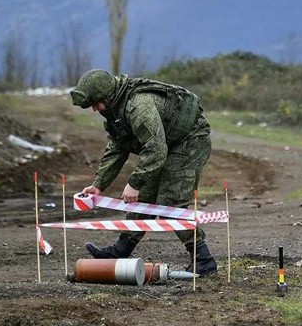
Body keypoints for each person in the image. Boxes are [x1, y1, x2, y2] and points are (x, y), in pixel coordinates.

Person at [70, 69, 217, 276]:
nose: (95, 109)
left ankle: (204, 260)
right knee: (144, 200)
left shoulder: (138, 105)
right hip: (167, 143)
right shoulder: (115, 110)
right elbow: (117, 148)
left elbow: (156, 149)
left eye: (96, 103)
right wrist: (98, 184)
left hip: (189, 141)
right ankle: (121, 250)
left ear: (108, 96)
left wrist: (135, 182)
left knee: (171, 202)